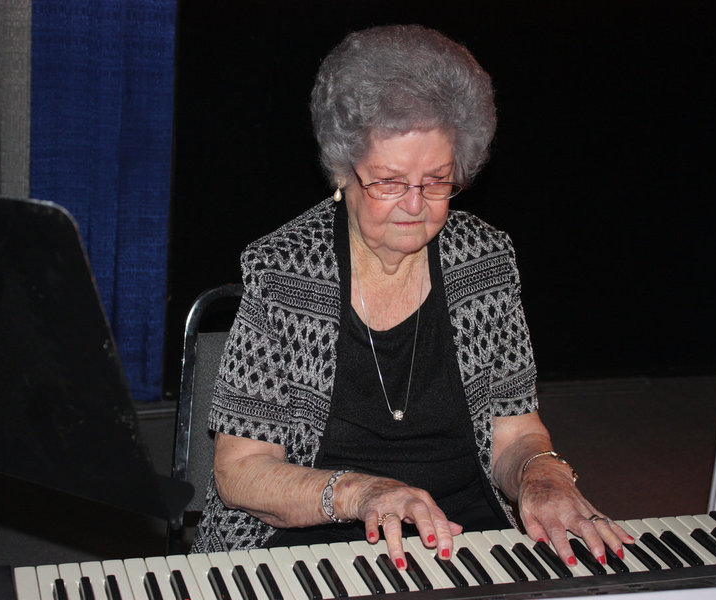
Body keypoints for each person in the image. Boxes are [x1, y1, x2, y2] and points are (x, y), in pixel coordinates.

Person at [192, 24, 633, 570]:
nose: (415, 203)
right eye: (389, 182)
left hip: (464, 537)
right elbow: (240, 472)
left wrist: (539, 474)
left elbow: (516, 432)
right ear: (342, 172)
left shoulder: (485, 261)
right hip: (315, 539)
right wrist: (362, 493)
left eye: (437, 180)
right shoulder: (285, 271)